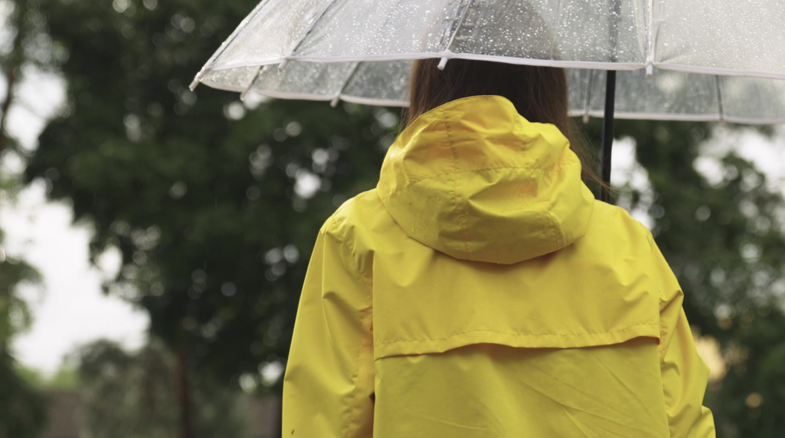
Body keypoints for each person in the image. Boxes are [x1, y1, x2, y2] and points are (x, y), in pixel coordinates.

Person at [281, 52, 716, 437]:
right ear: (549, 90)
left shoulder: (356, 238)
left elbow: (326, 422)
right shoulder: (629, 246)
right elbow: (684, 424)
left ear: (426, 87)